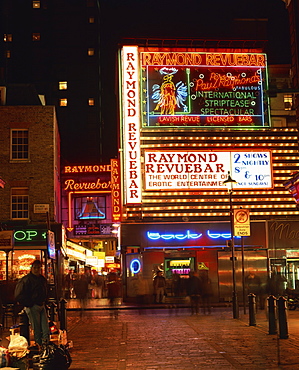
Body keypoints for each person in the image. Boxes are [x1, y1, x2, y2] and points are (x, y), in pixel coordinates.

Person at [14, 260, 49, 348]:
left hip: (40, 305)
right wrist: (29, 304)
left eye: (38, 267)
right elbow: (18, 295)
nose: (37, 269)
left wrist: (45, 301)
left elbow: (45, 291)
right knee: (37, 329)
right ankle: (40, 346)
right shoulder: (26, 279)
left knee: (45, 328)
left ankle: (46, 345)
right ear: (32, 268)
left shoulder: (41, 279)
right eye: (35, 267)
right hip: (33, 306)